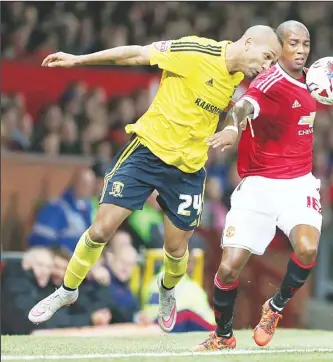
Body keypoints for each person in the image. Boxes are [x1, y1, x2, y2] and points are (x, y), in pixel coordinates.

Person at [28, 26, 282, 333]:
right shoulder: (195, 52)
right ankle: (67, 291)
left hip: (187, 170)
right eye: (267, 57)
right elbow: (136, 53)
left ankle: (166, 289)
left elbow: (234, 108)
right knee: (102, 228)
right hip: (146, 152)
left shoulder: (236, 78)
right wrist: (79, 60)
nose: (268, 66)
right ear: (249, 42)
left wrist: (232, 128)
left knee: (176, 250)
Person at [194, 21, 320, 350]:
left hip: (298, 183)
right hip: (259, 185)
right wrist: (234, 129)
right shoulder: (268, 81)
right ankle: (223, 336)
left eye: (306, 43)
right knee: (229, 267)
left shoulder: (317, 81)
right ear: (279, 48)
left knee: (307, 248)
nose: (302, 50)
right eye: (294, 43)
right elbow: (243, 106)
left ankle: (274, 307)